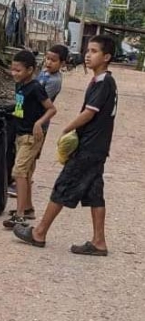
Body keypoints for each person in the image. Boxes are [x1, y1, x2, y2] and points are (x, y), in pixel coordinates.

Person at [13, 35, 118, 256]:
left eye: (94, 51)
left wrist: (66, 129)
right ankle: (99, 242)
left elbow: (89, 113)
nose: (88, 55)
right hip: (97, 148)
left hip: (89, 147)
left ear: (106, 57)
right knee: (94, 193)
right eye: (87, 50)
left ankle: (39, 233)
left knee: (63, 186)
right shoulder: (103, 81)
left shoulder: (103, 83)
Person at [3, 50, 56, 229]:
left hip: (31, 137)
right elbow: (19, 108)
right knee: (25, 173)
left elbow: (51, 109)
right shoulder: (20, 86)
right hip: (20, 134)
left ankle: (19, 216)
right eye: (13, 70)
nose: (14, 73)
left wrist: (39, 123)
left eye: (18, 70)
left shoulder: (35, 87)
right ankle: (27, 209)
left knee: (18, 172)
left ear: (30, 70)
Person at [8, 44, 68, 199]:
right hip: (26, 121)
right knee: (26, 161)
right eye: (47, 58)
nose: (48, 62)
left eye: (53, 60)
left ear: (62, 64)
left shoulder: (54, 81)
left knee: (29, 159)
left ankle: (22, 186)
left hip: (38, 124)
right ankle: (26, 200)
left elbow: (40, 101)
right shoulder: (43, 74)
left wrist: (37, 122)